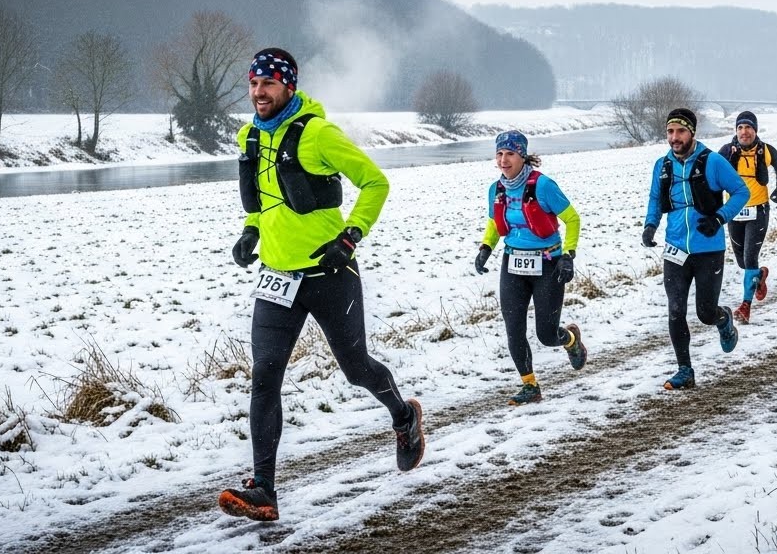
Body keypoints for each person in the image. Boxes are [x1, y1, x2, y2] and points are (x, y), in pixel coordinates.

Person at [219, 48, 424, 523]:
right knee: (265, 379)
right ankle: (264, 489)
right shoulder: (248, 135)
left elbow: (375, 183)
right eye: (252, 83)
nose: (258, 92)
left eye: (268, 83)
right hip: (276, 279)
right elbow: (265, 197)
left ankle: (403, 415)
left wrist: (350, 237)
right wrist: (251, 229)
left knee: (355, 368)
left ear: (288, 86)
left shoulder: (318, 134)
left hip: (331, 274)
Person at [473, 130, 587, 406]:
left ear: (522, 156)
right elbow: (495, 222)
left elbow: (572, 219)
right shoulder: (496, 189)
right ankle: (530, 386)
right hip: (512, 263)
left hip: (548, 264)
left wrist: (568, 255)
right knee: (514, 329)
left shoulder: (543, 186)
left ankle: (571, 340)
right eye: (499, 154)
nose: (503, 160)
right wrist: (485, 248)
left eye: (510, 154)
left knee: (547, 335)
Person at [643, 107, 749, 390]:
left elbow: (741, 191)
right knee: (675, 310)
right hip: (675, 247)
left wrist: (719, 218)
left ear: (692, 132)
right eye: (670, 132)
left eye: (680, 131)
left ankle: (722, 318)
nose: (674, 138)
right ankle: (684, 370)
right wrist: (650, 225)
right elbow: (655, 197)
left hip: (708, 248)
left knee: (704, 312)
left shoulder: (712, 161)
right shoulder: (662, 165)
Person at [718, 110, 777, 325]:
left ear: (755, 130)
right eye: (740, 127)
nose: (744, 132)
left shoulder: (765, 150)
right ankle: (760, 275)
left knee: (749, 258)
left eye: (748, 127)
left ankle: (745, 305)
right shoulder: (727, 151)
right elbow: (711, 171)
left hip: (759, 210)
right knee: (741, 261)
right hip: (734, 211)